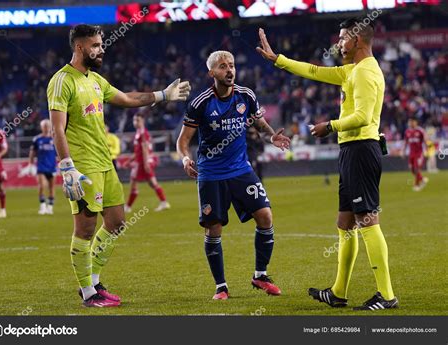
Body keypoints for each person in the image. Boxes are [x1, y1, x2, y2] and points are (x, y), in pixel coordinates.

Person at [257, 18, 398, 310]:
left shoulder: (364, 73)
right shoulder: (353, 70)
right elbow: (313, 71)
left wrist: (329, 125)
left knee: (368, 220)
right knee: (345, 223)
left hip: (361, 150)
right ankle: (338, 292)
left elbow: (362, 116)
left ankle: (386, 295)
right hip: (351, 151)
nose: (339, 43)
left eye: (343, 38)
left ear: (358, 40)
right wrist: (277, 59)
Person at [47, 24, 190, 307]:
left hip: (105, 163)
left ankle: (95, 282)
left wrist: (162, 95)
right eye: (96, 45)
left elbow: (127, 99)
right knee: (86, 229)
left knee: (116, 223)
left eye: (101, 44)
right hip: (83, 166)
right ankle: (88, 293)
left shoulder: (97, 81)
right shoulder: (62, 81)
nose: (101, 49)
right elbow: (57, 130)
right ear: (79, 47)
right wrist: (67, 167)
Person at [177, 50, 291, 300]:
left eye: (231, 65)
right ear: (211, 73)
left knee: (265, 215)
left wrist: (271, 135)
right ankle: (221, 287)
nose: (229, 70)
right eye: (222, 66)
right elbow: (183, 140)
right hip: (211, 174)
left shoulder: (246, 95)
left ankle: (260, 275)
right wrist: (185, 158)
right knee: (214, 229)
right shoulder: (201, 103)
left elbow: (259, 122)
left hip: (241, 169)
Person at [125, 113, 170, 213]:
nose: (135, 122)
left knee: (133, 183)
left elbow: (145, 149)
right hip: (140, 162)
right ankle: (164, 202)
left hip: (141, 163)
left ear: (143, 121)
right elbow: (138, 151)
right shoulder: (139, 132)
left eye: (138, 120)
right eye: (134, 120)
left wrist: (145, 164)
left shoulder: (142, 133)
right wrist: (130, 160)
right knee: (152, 183)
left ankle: (127, 207)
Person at [28, 119, 57, 215]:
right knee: (41, 186)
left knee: (52, 187)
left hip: (52, 166)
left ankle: (50, 207)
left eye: (48, 126)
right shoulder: (37, 139)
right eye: (44, 126)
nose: (46, 128)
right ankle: (43, 206)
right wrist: (30, 164)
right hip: (41, 167)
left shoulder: (54, 139)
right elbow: (32, 152)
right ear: (41, 127)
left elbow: (59, 152)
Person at [403, 118, 428, 191]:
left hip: (419, 153)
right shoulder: (407, 131)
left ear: (416, 122)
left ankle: (417, 185)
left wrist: (426, 149)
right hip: (411, 153)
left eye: (412, 122)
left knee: (417, 168)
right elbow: (405, 142)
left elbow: (425, 140)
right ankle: (422, 179)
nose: (411, 123)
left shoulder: (420, 130)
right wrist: (403, 151)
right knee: (412, 169)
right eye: (410, 122)